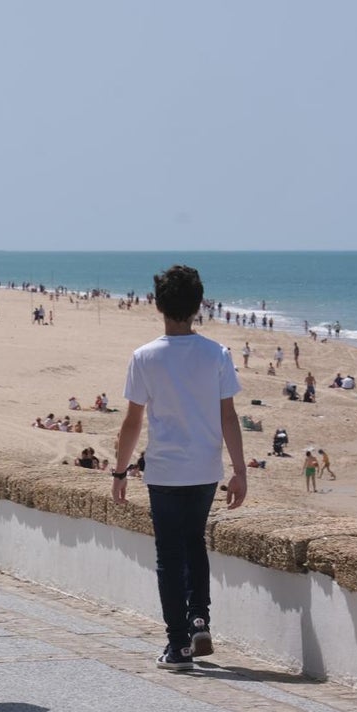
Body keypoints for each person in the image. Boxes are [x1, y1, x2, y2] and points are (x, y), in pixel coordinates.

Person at [111, 265, 246, 671]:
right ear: (198, 304)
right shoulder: (217, 354)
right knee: (194, 544)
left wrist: (119, 472)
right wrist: (240, 470)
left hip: (166, 472)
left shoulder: (145, 357)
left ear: (159, 306)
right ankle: (200, 617)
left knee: (170, 556)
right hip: (205, 470)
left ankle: (178, 646)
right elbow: (229, 416)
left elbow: (133, 421)